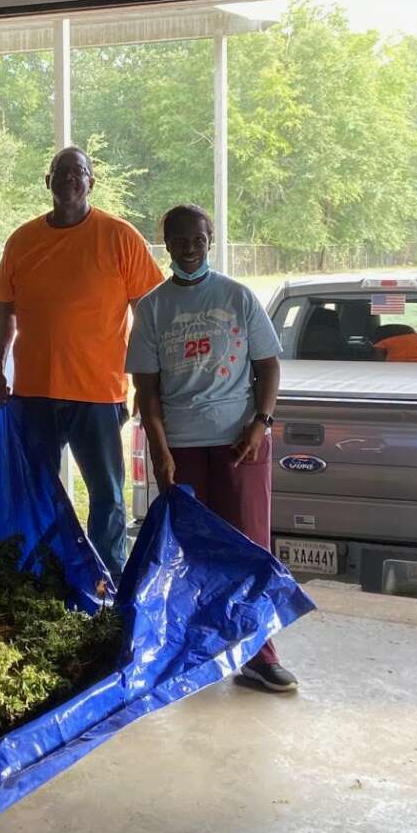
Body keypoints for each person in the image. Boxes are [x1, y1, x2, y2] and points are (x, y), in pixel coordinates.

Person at [127, 204, 299, 695]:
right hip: (181, 449)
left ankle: (259, 656)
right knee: (188, 555)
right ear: (166, 245)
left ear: (210, 238)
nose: (189, 247)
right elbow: (148, 390)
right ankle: (191, 655)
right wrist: (159, 451)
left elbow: (268, 367)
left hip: (239, 444)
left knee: (249, 550)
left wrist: (261, 425)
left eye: (197, 238)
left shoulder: (238, 297)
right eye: (179, 239)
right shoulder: (154, 308)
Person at [0, 147, 163, 579]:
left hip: (97, 395)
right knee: (36, 491)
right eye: (61, 172)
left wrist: (147, 381)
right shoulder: (23, 241)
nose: (70, 179)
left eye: (78, 172)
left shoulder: (120, 237)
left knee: (106, 495)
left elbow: (149, 313)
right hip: (34, 394)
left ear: (91, 182)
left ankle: (107, 581)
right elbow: (3, 308)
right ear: (48, 181)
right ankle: (42, 573)